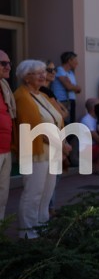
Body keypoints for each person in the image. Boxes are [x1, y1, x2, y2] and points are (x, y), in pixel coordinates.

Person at [15, 60, 68, 238]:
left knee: (47, 192)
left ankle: (42, 226)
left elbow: (57, 119)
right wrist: (59, 144)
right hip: (35, 151)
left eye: (43, 72)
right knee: (33, 192)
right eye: (38, 73)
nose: (43, 75)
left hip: (51, 151)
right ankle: (28, 232)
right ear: (26, 77)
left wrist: (61, 143)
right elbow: (32, 128)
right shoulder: (22, 96)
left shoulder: (42, 95)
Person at [0, 51, 15, 220]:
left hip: (5, 149)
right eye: (3, 63)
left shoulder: (4, 87)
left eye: (9, 63)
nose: (8, 67)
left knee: (2, 196)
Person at [53, 51, 81, 123]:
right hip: (62, 101)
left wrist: (74, 87)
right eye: (75, 60)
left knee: (71, 123)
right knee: (64, 124)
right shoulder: (60, 70)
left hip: (71, 101)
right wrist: (73, 87)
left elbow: (78, 90)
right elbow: (69, 87)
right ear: (69, 60)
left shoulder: (71, 73)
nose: (77, 63)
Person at [79, 97, 99, 174]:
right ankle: (97, 167)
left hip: (95, 147)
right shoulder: (86, 120)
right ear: (94, 108)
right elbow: (98, 139)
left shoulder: (97, 118)